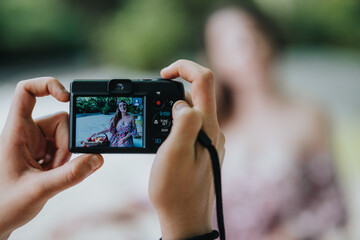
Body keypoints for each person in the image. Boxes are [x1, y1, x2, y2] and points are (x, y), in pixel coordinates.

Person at [0, 60, 225, 240]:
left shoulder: (132, 116)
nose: (123, 105)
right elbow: (108, 132)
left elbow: (135, 134)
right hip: (116, 140)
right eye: (120, 104)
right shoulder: (115, 118)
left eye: (124, 104)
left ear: (126, 105)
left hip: (126, 141)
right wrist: (191, 228)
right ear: (118, 105)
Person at [205, 4, 346, 240]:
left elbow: (334, 207)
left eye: (250, 32)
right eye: (227, 41)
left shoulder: (308, 116)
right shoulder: (208, 127)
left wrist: (290, 232)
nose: (245, 47)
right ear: (213, 56)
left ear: (268, 38)